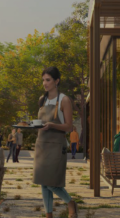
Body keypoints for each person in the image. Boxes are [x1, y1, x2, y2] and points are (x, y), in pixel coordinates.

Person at [33, 67, 78, 218]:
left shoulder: (64, 100)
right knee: (43, 182)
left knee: (52, 182)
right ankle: (48, 215)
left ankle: (70, 202)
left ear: (56, 81)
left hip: (56, 146)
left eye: (48, 80)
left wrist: (52, 125)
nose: (45, 83)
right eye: (43, 80)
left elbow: (69, 126)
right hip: (41, 145)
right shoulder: (42, 99)